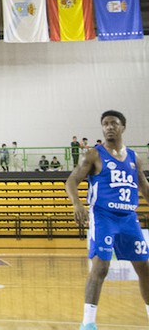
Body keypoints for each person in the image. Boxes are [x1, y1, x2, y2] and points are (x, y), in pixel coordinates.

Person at [65, 110, 149, 330]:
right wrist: (77, 203)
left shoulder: (134, 157)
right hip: (104, 216)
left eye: (114, 123)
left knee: (145, 267)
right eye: (105, 124)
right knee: (100, 267)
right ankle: (88, 323)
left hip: (129, 218)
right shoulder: (94, 154)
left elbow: (144, 187)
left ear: (123, 127)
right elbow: (71, 181)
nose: (109, 127)